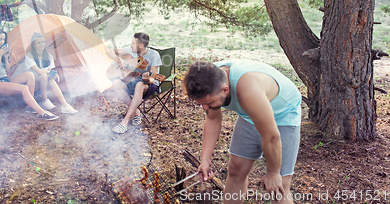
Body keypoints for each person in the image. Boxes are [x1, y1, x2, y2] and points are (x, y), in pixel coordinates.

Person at [183, 60, 302, 204]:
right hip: (250, 115)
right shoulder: (209, 79)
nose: (204, 107)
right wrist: (205, 160)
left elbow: (271, 137)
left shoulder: (248, 90)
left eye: (209, 103)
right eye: (201, 103)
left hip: (283, 115)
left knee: (279, 185)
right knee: (236, 170)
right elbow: (213, 120)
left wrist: (273, 172)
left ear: (225, 90)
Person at [0, 28, 58, 121]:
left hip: (5, 80)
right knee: (24, 88)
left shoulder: (1, 52)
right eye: (0, 39)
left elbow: (8, 72)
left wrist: (5, 58)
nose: (2, 42)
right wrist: (0, 55)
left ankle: (30, 107)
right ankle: (42, 112)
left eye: (4, 40)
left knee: (30, 75)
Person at [106, 32, 162, 134]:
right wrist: (119, 60)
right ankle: (137, 111)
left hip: (149, 85)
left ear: (140, 46)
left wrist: (146, 79)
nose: (130, 45)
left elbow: (153, 79)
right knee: (116, 84)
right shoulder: (130, 51)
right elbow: (109, 51)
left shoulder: (154, 55)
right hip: (132, 81)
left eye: (132, 43)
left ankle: (124, 122)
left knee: (139, 85)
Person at [25, 33, 78, 115]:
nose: (41, 44)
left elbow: (49, 72)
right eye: (38, 43)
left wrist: (52, 75)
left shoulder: (49, 56)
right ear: (34, 45)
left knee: (49, 79)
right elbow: (38, 71)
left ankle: (65, 105)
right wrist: (51, 73)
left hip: (45, 82)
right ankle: (44, 100)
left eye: (43, 42)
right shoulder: (29, 56)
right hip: (33, 83)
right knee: (43, 76)